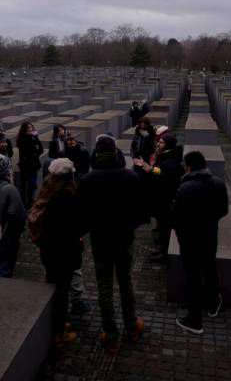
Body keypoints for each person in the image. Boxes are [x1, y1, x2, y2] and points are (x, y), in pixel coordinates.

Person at [76, 136, 146, 352]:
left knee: (104, 286)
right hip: (124, 239)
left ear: (96, 153)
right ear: (116, 152)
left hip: (100, 241)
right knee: (125, 283)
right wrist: (128, 226)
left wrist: (84, 232)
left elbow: (81, 215)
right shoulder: (131, 177)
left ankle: (111, 334)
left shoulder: (87, 180)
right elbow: (142, 214)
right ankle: (132, 325)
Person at [172, 151, 229, 334]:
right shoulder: (219, 184)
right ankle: (213, 304)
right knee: (209, 267)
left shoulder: (185, 188)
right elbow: (223, 210)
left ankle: (194, 320)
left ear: (188, 167)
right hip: (210, 234)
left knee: (193, 276)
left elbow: (175, 216)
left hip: (189, 238)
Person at [33, 158, 84, 347]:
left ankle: (55, 322)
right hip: (65, 253)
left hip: (48, 251)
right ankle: (58, 332)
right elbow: (77, 227)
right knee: (62, 291)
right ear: (70, 175)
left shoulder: (46, 193)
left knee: (52, 285)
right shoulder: (68, 198)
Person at [135, 133, 184, 264]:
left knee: (165, 228)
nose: (158, 144)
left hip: (166, 200)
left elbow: (162, 175)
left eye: (161, 143)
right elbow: (159, 170)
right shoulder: (166, 157)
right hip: (161, 199)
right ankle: (162, 250)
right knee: (162, 227)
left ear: (168, 145)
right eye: (159, 142)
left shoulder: (170, 161)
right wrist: (148, 167)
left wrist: (149, 169)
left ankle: (165, 254)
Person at [16, 122, 44, 208]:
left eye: (31, 127)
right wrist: (31, 138)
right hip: (26, 165)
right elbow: (27, 150)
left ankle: (30, 200)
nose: (30, 129)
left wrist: (35, 138)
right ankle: (27, 202)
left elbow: (40, 149)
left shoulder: (34, 137)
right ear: (24, 129)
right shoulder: (22, 138)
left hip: (34, 164)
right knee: (29, 184)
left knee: (33, 184)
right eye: (28, 128)